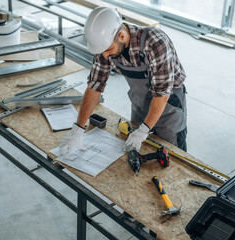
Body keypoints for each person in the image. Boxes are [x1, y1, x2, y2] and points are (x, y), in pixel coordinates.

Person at [59, 7, 187, 158]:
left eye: (108, 50)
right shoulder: (105, 49)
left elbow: (161, 94)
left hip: (168, 106)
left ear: (121, 35)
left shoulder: (155, 43)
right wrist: (78, 129)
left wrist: (142, 131)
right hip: (140, 102)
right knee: (138, 153)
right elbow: (95, 86)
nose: (105, 55)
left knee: (171, 156)